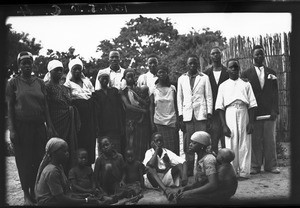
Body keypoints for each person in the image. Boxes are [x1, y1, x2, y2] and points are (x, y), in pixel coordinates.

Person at [6, 51, 56, 205]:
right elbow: (9, 108)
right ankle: (26, 193)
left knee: (39, 159)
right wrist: (12, 130)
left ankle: (35, 191)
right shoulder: (13, 83)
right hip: (22, 127)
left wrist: (49, 126)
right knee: (24, 160)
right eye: (23, 63)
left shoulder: (40, 82)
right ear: (19, 65)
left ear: (32, 64)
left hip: (39, 126)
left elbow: (45, 105)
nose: (26, 65)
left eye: (29, 62)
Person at [241, 45, 281, 174]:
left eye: (261, 54)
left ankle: (271, 166)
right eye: (256, 54)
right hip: (254, 112)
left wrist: (275, 110)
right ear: (252, 56)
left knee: (270, 140)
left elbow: (275, 93)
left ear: (264, 56)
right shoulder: (246, 74)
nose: (259, 56)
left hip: (269, 112)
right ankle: (255, 166)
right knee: (255, 140)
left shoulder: (271, 73)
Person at [215, 58, 257, 179]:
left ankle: (244, 172)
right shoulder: (223, 86)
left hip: (244, 111)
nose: (234, 69)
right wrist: (224, 125)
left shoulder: (246, 84)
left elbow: (253, 105)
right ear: (227, 69)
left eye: (236, 67)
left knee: (245, 143)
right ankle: (232, 172)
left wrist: (251, 123)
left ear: (239, 69)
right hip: (230, 112)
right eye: (231, 67)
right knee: (231, 142)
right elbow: (220, 107)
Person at [175, 131, 237, 205]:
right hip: (212, 189)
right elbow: (202, 181)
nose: (190, 144)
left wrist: (189, 192)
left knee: (183, 199)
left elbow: (213, 185)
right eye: (191, 142)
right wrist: (186, 188)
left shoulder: (208, 160)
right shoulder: (201, 157)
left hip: (218, 194)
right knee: (183, 194)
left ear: (202, 146)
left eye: (194, 143)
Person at [34, 137, 101, 206]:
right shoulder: (52, 171)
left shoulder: (58, 166)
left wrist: (84, 195)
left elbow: (65, 194)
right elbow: (62, 199)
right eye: (64, 151)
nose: (67, 154)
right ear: (54, 153)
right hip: (48, 203)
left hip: (55, 199)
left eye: (67, 151)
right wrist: (86, 200)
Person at [177, 54, 213, 176]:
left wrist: (209, 114)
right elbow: (179, 99)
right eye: (190, 63)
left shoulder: (204, 77)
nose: (192, 65)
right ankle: (189, 170)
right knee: (189, 144)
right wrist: (181, 117)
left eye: (194, 63)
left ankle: (202, 169)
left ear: (198, 64)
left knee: (201, 142)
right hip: (187, 116)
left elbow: (208, 97)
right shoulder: (181, 79)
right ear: (187, 65)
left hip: (200, 115)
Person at [44, 59, 80, 173]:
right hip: (56, 122)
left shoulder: (65, 88)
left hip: (68, 123)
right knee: (57, 149)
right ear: (50, 72)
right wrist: (50, 126)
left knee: (67, 149)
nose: (60, 72)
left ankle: (68, 176)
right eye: (56, 70)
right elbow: (46, 108)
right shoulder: (46, 87)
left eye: (61, 70)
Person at [64, 58, 97, 166]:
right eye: (75, 69)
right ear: (70, 70)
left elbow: (93, 95)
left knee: (90, 140)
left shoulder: (87, 82)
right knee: (78, 140)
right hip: (78, 116)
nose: (77, 71)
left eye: (79, 69)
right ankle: (78, 169)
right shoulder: (67, 84)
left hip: (89, 115)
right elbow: (68, 100)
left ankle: (88, 168)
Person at [143, 132, 188, 201]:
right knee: (149, 169)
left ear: (163, 142)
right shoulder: (149, 152)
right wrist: (156, 151)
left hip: (165, 179)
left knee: (179, 165)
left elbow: (183, 162)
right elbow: (150, 165)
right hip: (153, 181)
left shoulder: (166, 152)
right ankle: (166, 191)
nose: (159, 143)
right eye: (157, 141)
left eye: (161, 141)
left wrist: (184, 177)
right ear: (152, 143)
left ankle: (184, 189)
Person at [120, 68, 151, 161]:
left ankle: (141, 166)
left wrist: (144, 109)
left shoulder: (139, 90)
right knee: (131, 145)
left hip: (141, 123)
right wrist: (142, 111)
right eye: (127, 76)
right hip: (130, 122)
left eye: (132, 76)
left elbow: (145, 102)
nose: (130, 78)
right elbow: (128, 106)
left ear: (135, 77)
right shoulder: (122, 91)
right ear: (124, 78)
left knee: (141, 145)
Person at [92, 70, 125, 154]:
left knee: (116, 149)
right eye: (103, 78)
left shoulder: (114, 91)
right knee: (104, 150)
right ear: (99, 80)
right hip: (103, 126)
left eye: (107, 78)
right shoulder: (96, 94)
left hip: (115, 125)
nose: (105, 80)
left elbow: (119, 109)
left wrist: (120, 124)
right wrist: (97, 126)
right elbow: (96, 112)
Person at [203, 47, 229, 154]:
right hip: (212, 112)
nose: (215, 55)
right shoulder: (206, 74)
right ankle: (214, 164)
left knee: (225, 139)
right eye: (213, 53)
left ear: (221, 55)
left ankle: (226, 163)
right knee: (213, 139)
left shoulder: (227, 72)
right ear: (210, 56)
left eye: (217, 53)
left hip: (226, 110)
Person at [150, 65, 180, 155]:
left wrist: (178, 120)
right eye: (159, 72)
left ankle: (175, 168)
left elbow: (176, 105)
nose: (162, 74)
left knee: (173, 149)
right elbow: (151, 107)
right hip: (158, 123)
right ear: (156, 74)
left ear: (167, 74)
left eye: (164, 72)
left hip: (172, 122)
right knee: (161, 150)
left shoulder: (172, 88)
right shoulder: (153, 89)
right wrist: (152, 123)